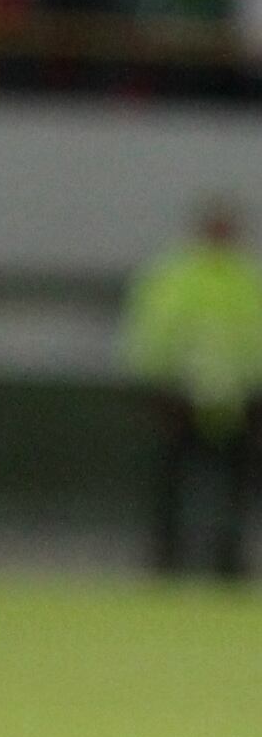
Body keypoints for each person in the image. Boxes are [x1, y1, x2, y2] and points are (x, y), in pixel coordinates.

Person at [120, 200, 262, 581]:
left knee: (235, 488)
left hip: (238, 400)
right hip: (180, 397)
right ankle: (167, 561)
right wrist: (158, 387)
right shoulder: (177, 276)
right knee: (171, 484)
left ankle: (227, 562)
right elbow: (152, 334)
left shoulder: (246, 279)